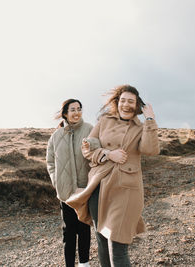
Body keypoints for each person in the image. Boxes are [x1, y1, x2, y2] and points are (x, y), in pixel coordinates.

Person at [66, 85, 160, 266]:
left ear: (137, 105)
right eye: (123, 100)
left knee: (118, 244)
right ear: (117, 102)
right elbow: (87, 149)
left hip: (126, 188)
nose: (126, 104)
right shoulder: (104, 121)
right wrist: (109, 154)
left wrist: (150, 119)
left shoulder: (141, 127)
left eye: (131, 101)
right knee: (101, 237)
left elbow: (150, 150)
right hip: (99, 185)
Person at [46, 99, 92, 267]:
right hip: (65, 191)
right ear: (65, 113)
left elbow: (96, 152)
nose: (76, 112)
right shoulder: (56, 136)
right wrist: (56, 180)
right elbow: (50, 162)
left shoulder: (89, 129)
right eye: (72, 109)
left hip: (84, 189)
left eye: (79, 109)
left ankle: (84, 264)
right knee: (69, 231)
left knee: (84, 228)